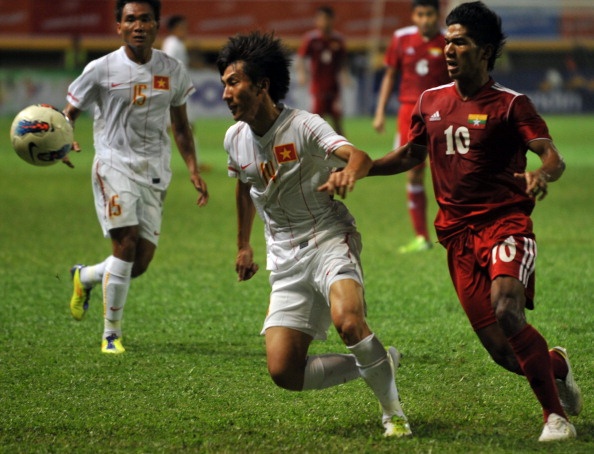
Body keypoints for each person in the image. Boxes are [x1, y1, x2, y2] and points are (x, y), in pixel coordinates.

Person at [369, 1, 582, 442]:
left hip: (506, 225)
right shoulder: (430, 101)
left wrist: (542, 174)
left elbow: (551, 155)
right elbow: (411, 154)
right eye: (448, 42)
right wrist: (363, 168)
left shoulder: (511, 104)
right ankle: (557, 365)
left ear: (484, 51)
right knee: (503, 352)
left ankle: (556, 418)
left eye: (460, 42)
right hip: (458, 237)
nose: (449, 50)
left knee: (507, 308)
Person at [217, 31, 411, 438]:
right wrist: (243, 244)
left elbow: (358, 156)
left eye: (233, 82)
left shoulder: (304, 125)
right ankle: (379, 363)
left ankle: (393, 414)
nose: (225, 93)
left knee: (349, 321)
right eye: (223, 84)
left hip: (328, 237)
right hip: (284, 257)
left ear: (262, 84)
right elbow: (244, 186)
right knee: (285, 372)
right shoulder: (234, 138)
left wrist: (348, 173)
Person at [63, 0, 208, 354]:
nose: (138, 26)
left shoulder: (172, 69)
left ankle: (85, 276)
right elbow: (69, 112)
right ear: (119, 27)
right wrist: (64, 138)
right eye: (130, 20)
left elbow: (181, 126)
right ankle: (111, 334)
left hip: (155, 170)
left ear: (157, 25)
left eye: (145, 19)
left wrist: (192, 167)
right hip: (113, 164)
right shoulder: (100, 69)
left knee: (138, 263)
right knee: (125, 243)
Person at [373, 0, 450, 253]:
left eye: (430, 14)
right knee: (413, 171)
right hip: (409, 114)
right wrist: (380, 112)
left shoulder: (448, 40)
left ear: (438, 15)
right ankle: (421, 237)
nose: (425, 19)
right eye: (420, 14)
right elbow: (390, 76)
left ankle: (454, 229)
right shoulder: (401, 38)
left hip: (441, 113)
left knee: (448, 172)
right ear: (413, 16)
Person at [296, 6, 348, 136]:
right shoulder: (311, 39)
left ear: (332, 20)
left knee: (337, 121)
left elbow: (343, 61)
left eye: (327, 19)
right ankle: (312, 146)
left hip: (334, 87)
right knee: (315, 121)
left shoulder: (338, 39)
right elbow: (301, 57)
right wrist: (302, 74)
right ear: (317, 20)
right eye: (321, 19)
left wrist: (345, 75)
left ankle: (343, 146)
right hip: (317, 87)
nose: (324, 22)